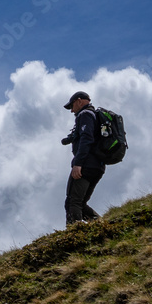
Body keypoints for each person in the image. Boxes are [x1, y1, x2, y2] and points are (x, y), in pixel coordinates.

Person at [61, 91, 105, 225]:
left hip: (85, 165)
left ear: (79, 101)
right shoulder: (95, 116)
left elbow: (87, 139)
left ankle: (74, 234)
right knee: (80, 203)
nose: (71, 111)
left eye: (72, 106)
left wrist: (78, 164)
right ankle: (102, 226)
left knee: (72, 202)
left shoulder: (85, 114)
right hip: (98, 166)